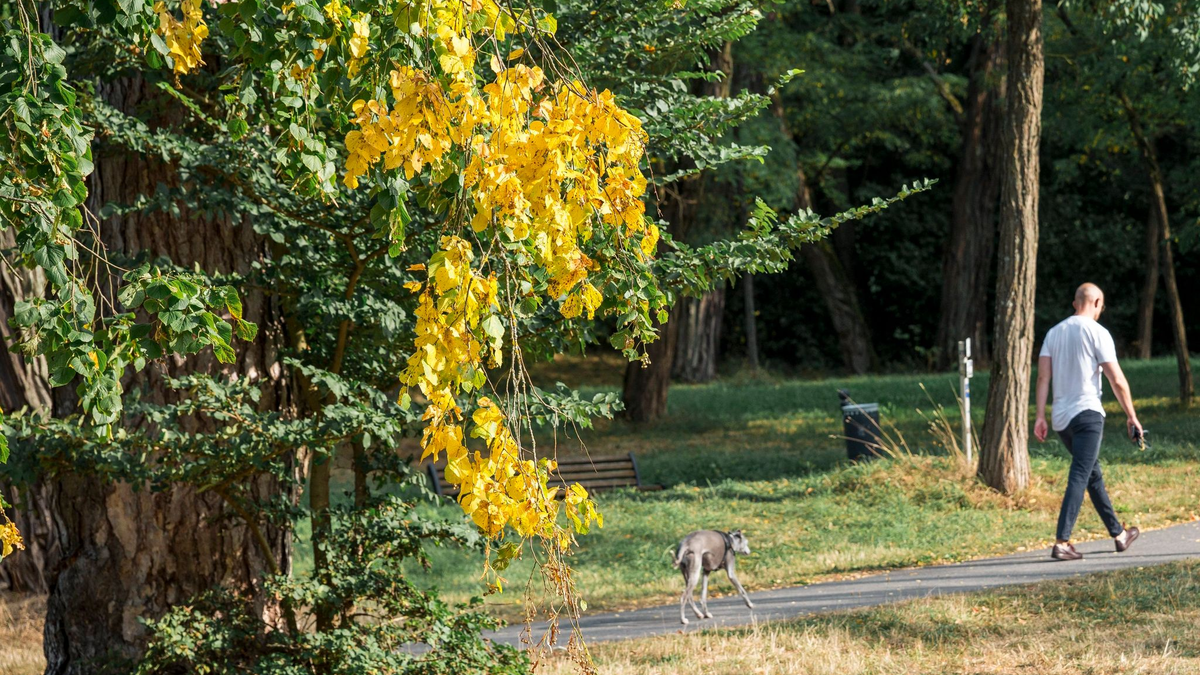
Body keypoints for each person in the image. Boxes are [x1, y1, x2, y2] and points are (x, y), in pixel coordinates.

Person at [1035, 283, 1141, 561]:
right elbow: (1116, 379)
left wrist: (1040, 416)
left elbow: (1043, 377)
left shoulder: (1053, 333)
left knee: (1092, 474)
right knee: (1081, 474)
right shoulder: (1097, 332)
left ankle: (1119, 534)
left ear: (1075, 303)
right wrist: (1132, 416)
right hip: (1088, 415)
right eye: (1101, 307)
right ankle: (1062, 542)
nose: (1100, 312)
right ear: (1095, 303)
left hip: (1061, 419)